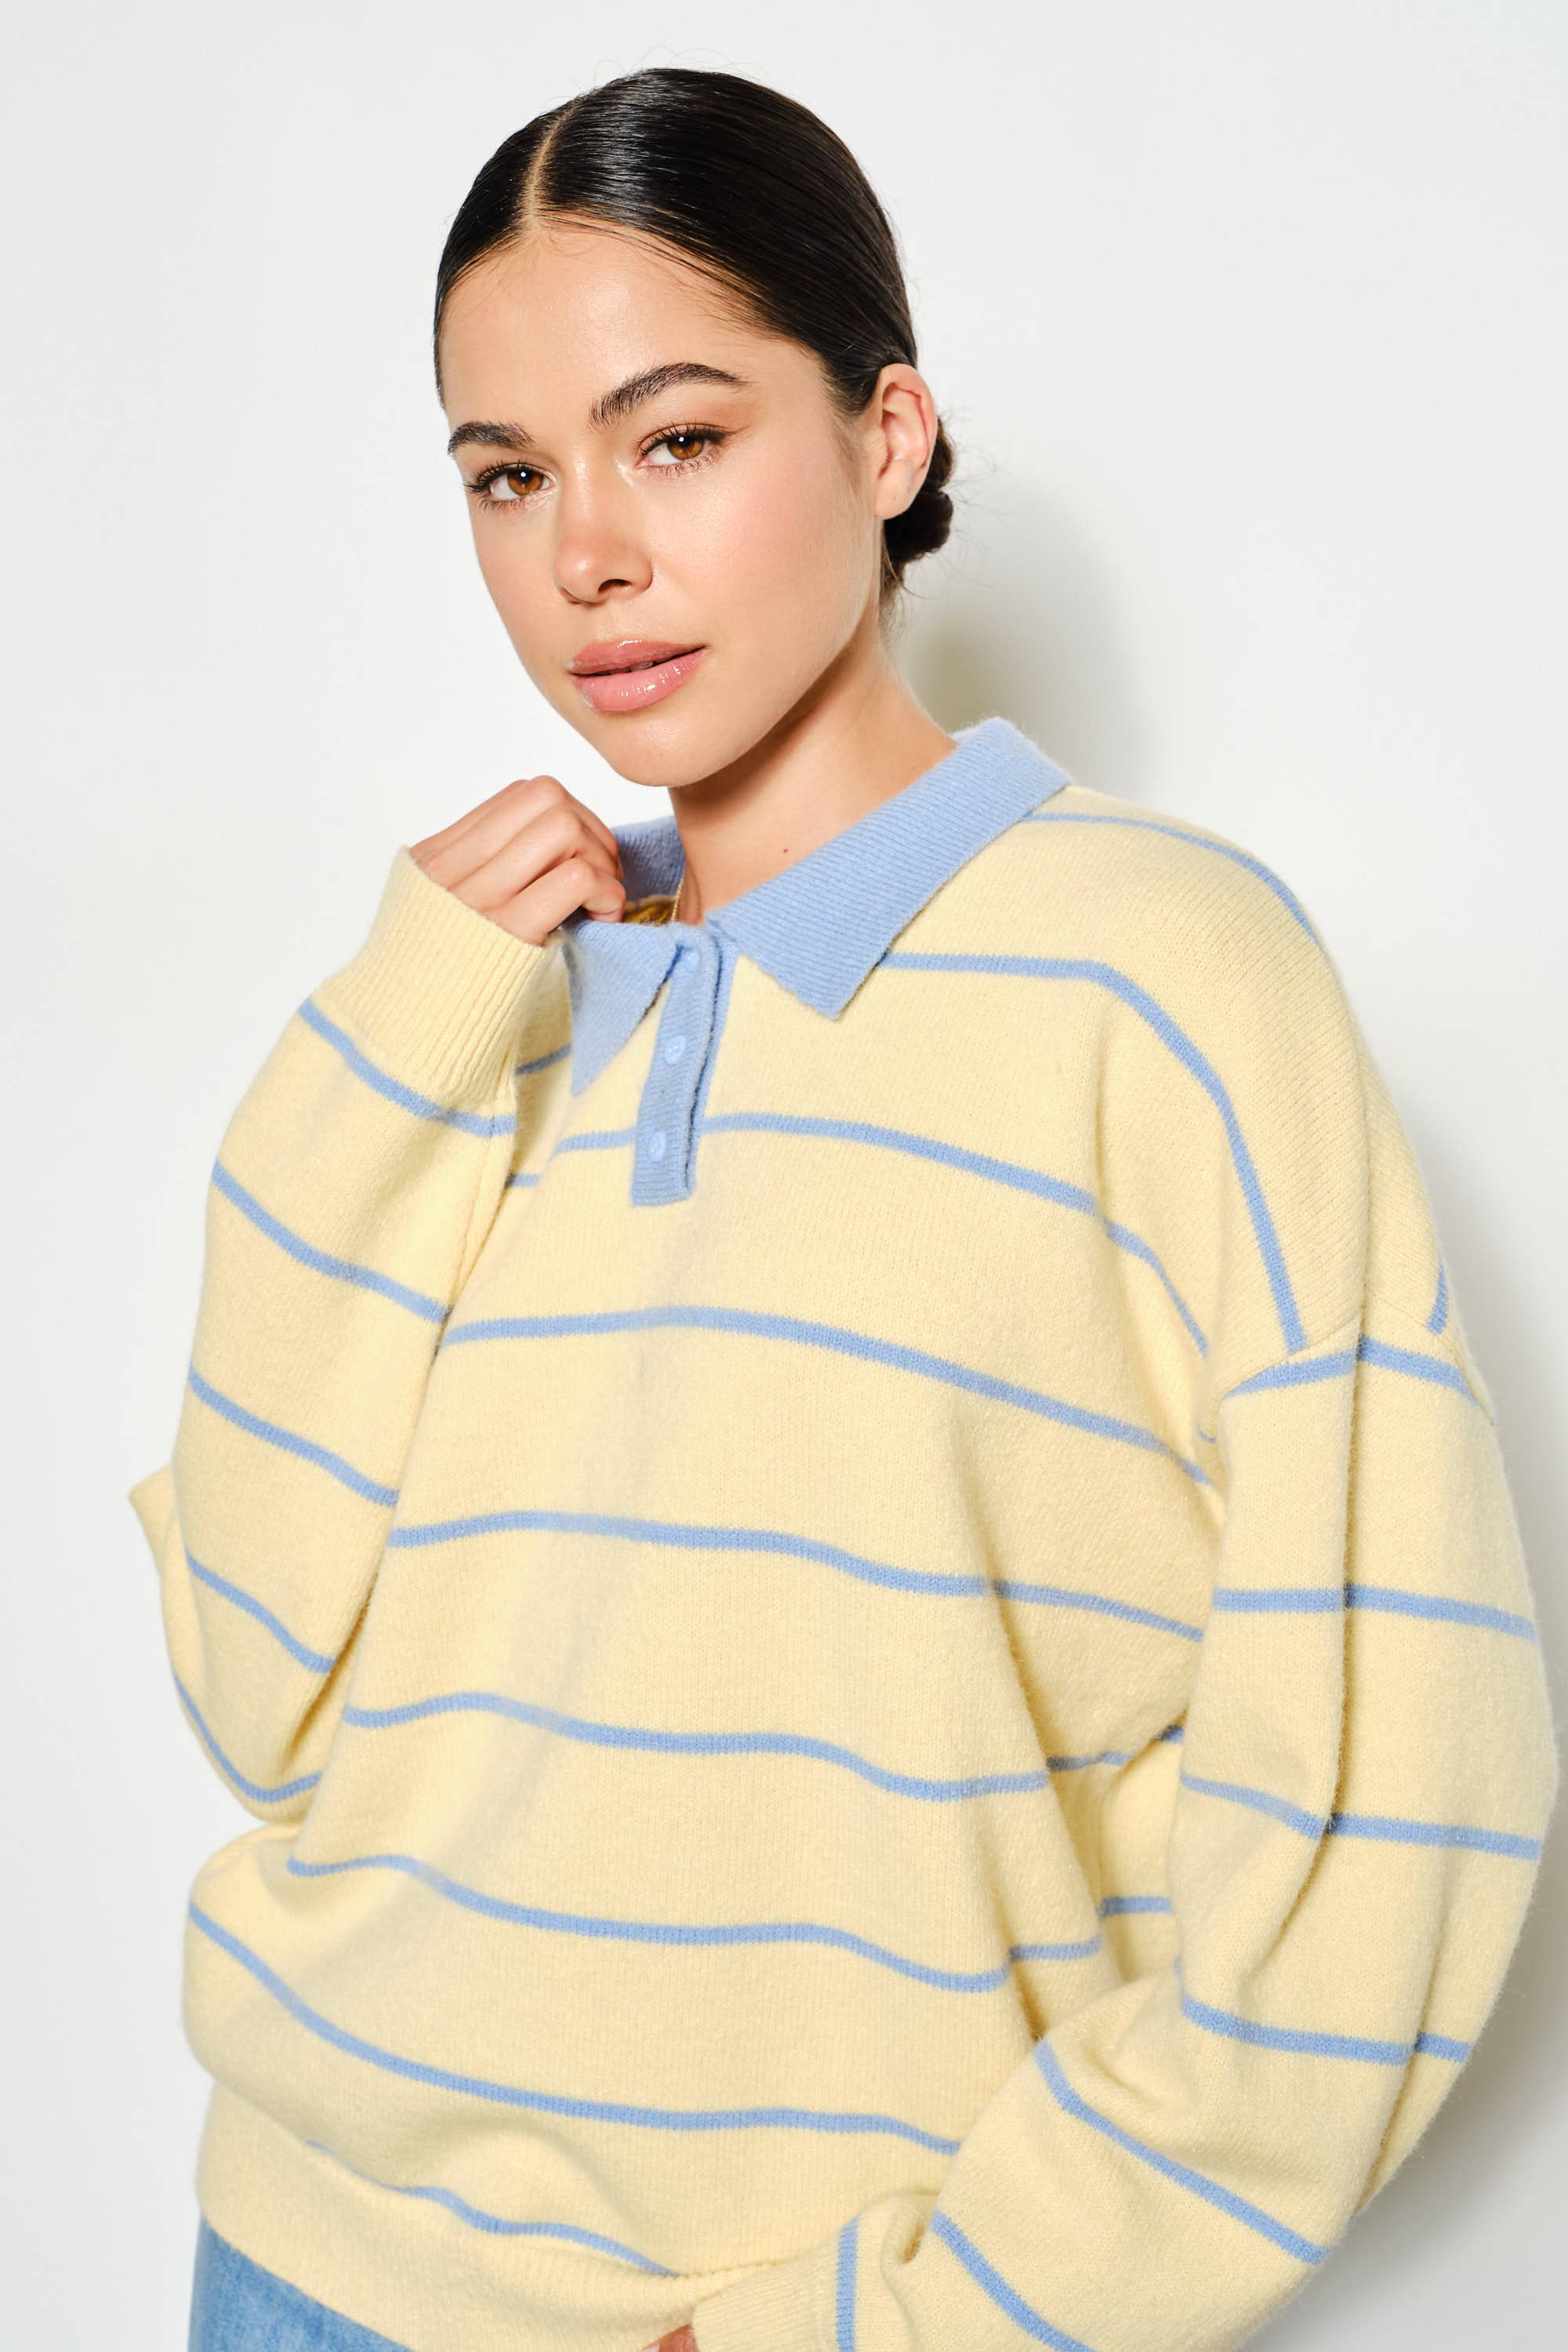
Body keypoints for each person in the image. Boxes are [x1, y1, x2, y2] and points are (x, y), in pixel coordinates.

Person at [131, 63, 1557, 2352]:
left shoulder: (1169, 983)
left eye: (678, 438)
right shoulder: (474, 1009)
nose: (586, 556)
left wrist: (926, 2320)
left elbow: (1397, 1794)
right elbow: (257, 1686)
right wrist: (381, 1048)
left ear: (889, 437)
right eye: (509, 475)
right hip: (308, 2264)